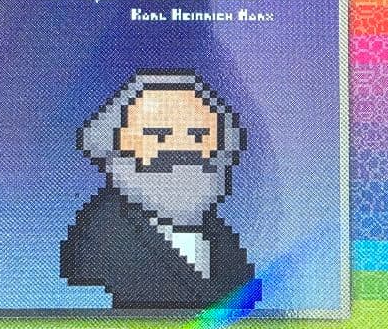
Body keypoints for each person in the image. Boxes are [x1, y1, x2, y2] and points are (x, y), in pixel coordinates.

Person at [60, 70, 259, 310]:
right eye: (158, 135)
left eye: (198, 135)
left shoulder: (223, 240)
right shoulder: (100, 238)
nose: (181, 148)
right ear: (115, 145)